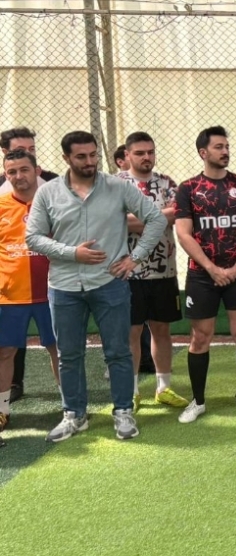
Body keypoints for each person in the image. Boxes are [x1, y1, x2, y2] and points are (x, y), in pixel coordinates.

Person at [25, 130, 166, 442]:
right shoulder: (48, 193)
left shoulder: (118, 187)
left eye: (93, 155)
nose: (89, 162)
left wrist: (134, 259)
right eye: (81, 156)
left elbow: (156, 219)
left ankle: (123, 412)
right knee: (68, 354)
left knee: (118, 352)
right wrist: (72, 253)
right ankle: (74, 415)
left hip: (110, 283)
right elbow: (32, 237)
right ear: (66, 158)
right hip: (63, 287)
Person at [174, 126, 236, 423]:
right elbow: (183, 234)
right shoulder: (188, 189)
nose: (225, 151)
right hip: (202, 276)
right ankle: (198, 401)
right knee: (200, 338)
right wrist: (212, 269)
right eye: (218, 147)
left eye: (227, 146)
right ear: (203, 152)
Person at [117, 131, 188, 409]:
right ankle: (132, 391)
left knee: (162, 330)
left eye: (150, 152)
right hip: (127, 272)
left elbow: (177, 214)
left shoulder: (167, 183)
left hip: (163, 271)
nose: (146, 157)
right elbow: (116, 221)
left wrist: (138, 219)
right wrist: (159, 218)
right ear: (127, 155)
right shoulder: (115, 184)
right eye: (140, 153)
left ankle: (164, 388)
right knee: (131, 332)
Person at [0, 150, 60, 436]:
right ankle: (2, 410)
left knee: (60, 349)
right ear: (6, 174)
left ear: (36, 171)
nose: (18, 176)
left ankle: (71, 406)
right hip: (10, 296)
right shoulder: (0, 205)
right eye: (12, 171)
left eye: (24, 169)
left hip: (54, 291)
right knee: (4, 352)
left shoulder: (55, 203)